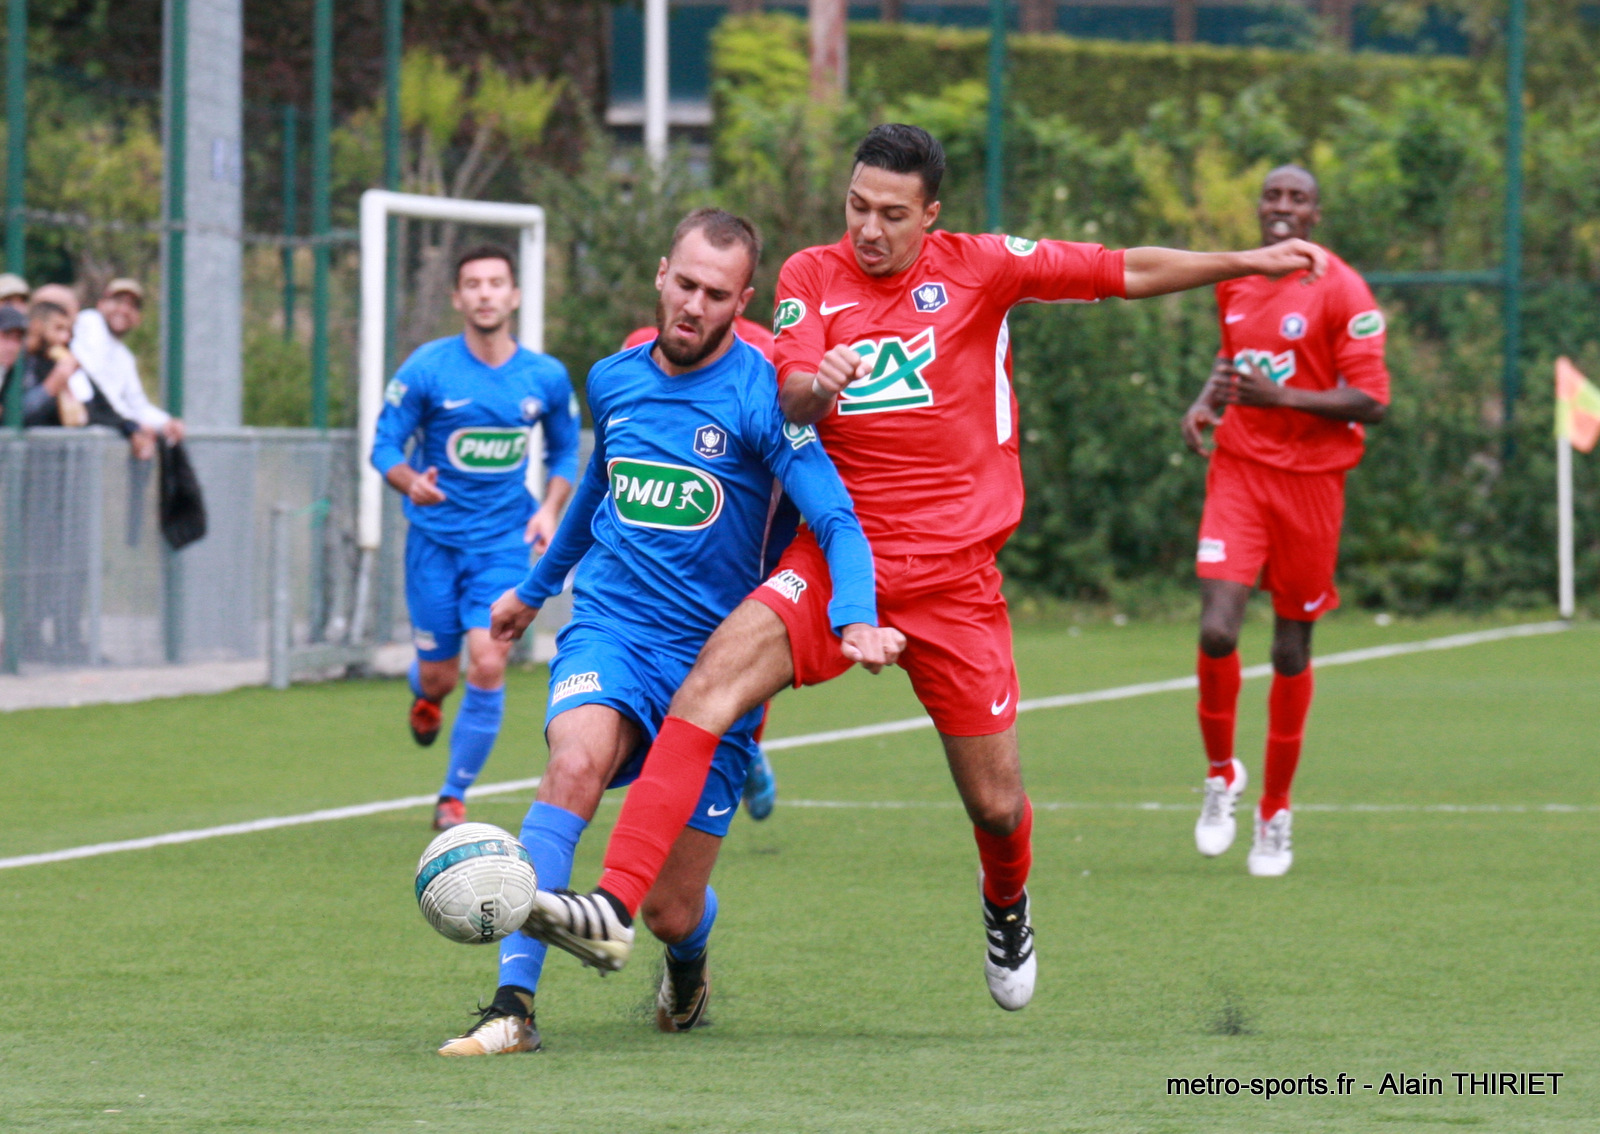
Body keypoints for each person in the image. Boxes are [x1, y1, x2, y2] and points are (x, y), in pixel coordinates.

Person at [519, 123, 1330, 1012]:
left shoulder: (983, 267)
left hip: (954, 579)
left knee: (996, 806)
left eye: (892, 214)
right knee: (707, 687)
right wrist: (818, 386)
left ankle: (1007, 904)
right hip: (836, 558)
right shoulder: (809, 275)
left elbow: (1121, 269)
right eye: (857, 206)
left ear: (931, 215)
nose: (869, 229)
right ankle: (611, 907)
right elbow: (790, 394)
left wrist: (1248, 261)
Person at [436, 208, 894, 1055]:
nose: (694, 305)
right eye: (684, 284)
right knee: (573, 762)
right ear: (661, 275)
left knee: (667, 910)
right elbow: (596, 494)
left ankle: (688, 961)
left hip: (715, 669)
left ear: (743, 302)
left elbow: (835, 518)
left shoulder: (764, 398)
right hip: (610, 630)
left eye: (717, 294)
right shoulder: (613, 379)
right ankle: (512, 1006)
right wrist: (534, 593)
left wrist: (856, 616)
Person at [1181, 165, 1388, 877]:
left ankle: (1274, 812)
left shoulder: (1344, 290)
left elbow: (1372, 399)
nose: (1282, 206)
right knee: (1217, 629)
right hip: (1239, 470)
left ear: (1314, 216)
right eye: (1273, 195)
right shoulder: (1236, 279)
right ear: (1260, 207)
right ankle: (1220, 777)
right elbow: (1232, 357)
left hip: (1312, 486)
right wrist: (1208, 400)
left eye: (1297, 198)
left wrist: (1283, 398)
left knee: (1290, 650)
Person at [370, 244, 580, 831]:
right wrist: (410, 481)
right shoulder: (427, 369)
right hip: (434, 546)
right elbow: (383, 445)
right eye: (473, 284)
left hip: (504, 544)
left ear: (514, 296)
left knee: (488, 661)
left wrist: (549, 509)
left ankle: (452, 795)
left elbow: (565, 450)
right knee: (441, 675)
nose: (485, 293)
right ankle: (427, 695)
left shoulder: (545, 376)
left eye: (495, 283)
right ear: (458, 298)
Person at [624, 314, 784, 823]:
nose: (697, 301)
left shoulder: (768, 350)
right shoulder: (641, 346)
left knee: (740, 657)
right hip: (667, 535)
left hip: (743, 538)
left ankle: (746, 749)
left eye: (716, 290)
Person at [69, 279, 185, 459]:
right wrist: (133, 424)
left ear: (138, 318)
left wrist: (165, 423)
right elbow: (100, 390)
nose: (124, 310)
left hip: (102, 438)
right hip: (79, 434)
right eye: (118, 301)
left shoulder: (125, 356)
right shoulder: (90, 323)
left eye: (132, 306)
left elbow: (137, 403)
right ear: (101, 304)